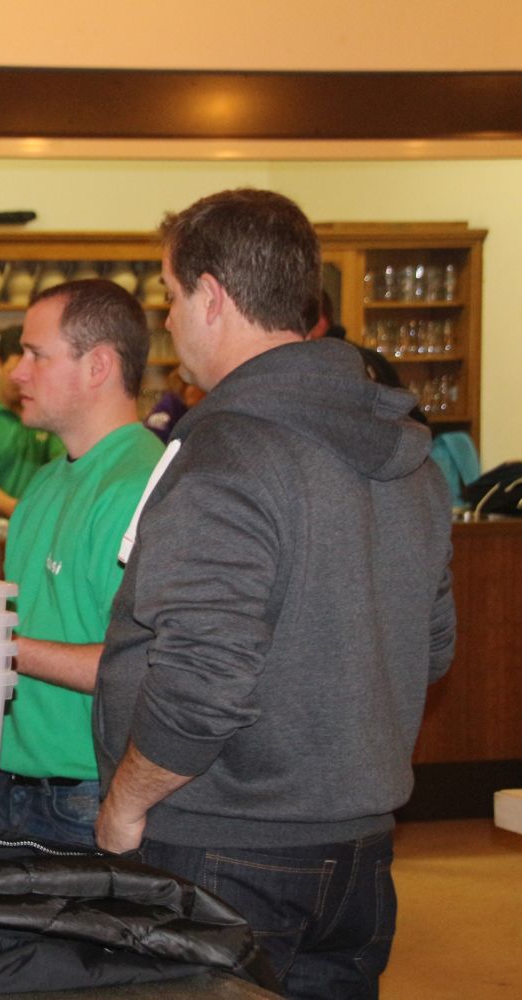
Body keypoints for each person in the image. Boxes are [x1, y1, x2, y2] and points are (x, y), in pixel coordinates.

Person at [93, 189, 455, 999]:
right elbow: (429, 649)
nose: (170, 319)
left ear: (212, 297)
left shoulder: (227, 452)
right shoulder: (410, 456)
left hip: (221, 845)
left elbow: (199, 683)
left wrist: (124, 804)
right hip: (360, 852)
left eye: (172, 296)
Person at [0, 280, 163, 846]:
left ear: (98, 367)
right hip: (12, 781)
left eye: (36, 355)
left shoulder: (140, 487)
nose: (18, 373)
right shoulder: (45, 481)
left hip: (84, 794)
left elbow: (140, 664)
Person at [0, 325, 65, 519]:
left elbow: (63, 464)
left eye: (30, 372)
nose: (22, 379)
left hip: (38, 518)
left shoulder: (43, 411)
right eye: (14, 371)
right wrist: (21, 511)